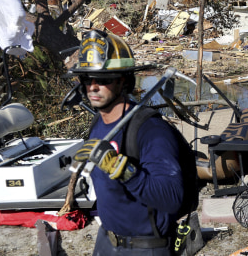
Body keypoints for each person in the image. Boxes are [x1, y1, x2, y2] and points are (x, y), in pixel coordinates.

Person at [71, 29, 185, 255]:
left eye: (103, 79)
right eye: (86, 79)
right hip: (107, 241)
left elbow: (172, 198)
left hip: (144, 248)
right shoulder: (99, 123)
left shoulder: (150, 130)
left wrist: (122, 170)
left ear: (124, 82)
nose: (93, 86)